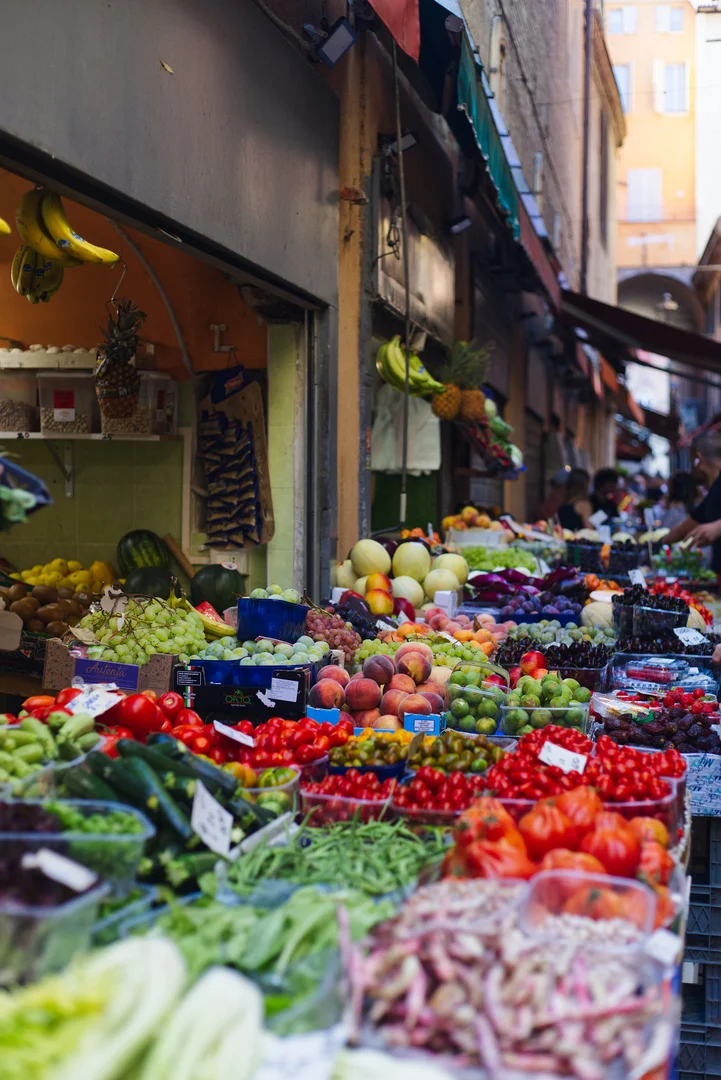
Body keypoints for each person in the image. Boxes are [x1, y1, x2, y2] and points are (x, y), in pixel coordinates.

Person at [663, 430, 721, 573]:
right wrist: (656, 544)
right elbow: (687, 525)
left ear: (699, 459)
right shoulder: (715, 490)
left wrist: (718, 528)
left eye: (691, 463)